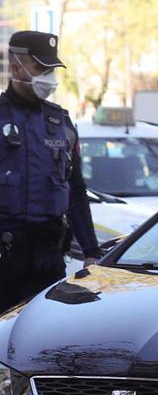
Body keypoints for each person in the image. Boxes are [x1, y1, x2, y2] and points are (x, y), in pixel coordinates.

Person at [0, 31, 100, 310]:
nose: (48, 77)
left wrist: (91, 251)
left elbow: (77, 191)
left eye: (51, 70)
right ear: (16, 67)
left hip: (49, 259)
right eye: (40, 68)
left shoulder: (61, 122)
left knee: (41, 341)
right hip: (5, 258)